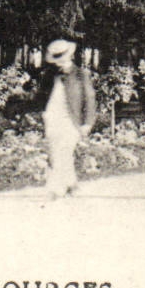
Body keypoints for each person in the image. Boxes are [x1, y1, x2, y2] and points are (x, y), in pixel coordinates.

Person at [33, 39, 96, 200]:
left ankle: (55, 189)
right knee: (57, 153)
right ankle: (71, 184)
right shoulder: (49, 75)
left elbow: (89, 99)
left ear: (69, 56)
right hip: (53, 118)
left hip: (72, 121)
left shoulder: (81, 75)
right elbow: (40, 96)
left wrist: (87, 123)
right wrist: (41, 112)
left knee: (64, 150)